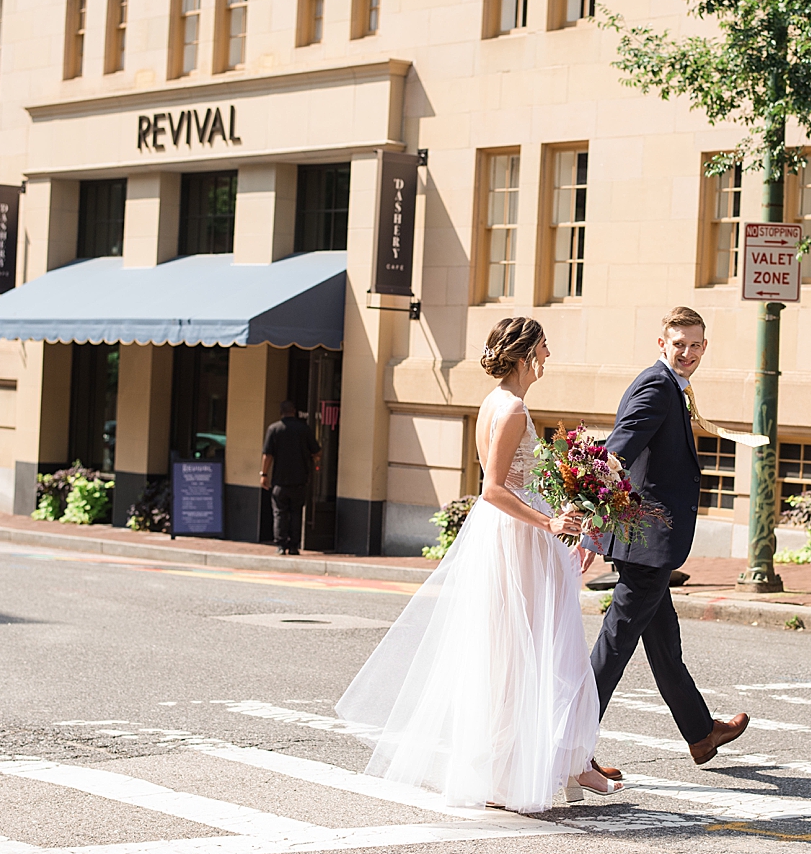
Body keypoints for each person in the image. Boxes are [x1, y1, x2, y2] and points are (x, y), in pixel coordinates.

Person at [336, 317, 621, 812]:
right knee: (547, 652)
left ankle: (543, 768)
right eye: (544, 347)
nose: (549, 355)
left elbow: (515, 480)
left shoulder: (493, 404)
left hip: (514, 538)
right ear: (525, 355)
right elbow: (493, 491)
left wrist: (564, 498)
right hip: (522, 541)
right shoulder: (510, 408)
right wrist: (550, 523)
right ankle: (552, 768)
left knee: (514, 655)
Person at [584, 306, 750, 771]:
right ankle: (570, 745)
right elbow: (621, 446)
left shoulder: (674, 386)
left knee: (663, 644)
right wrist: (587, 507)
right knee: (613, 650)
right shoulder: (657, 385)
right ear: (663, 345)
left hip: (649, 541)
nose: (688, 353)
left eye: (696, 345)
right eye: (679, 344)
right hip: (645, 542)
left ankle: (700, 733)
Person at [261, 400, 321, 556]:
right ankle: (294, 546)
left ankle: (280, 545)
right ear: (294, 411)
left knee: (280, 513)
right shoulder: (304, 429)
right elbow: (317, 452)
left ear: (281, 412)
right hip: (299, 480)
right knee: (296, 513)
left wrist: (264, 474)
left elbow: (267, 455)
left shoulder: (274, 429)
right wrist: (312, 458)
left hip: (280, 480)